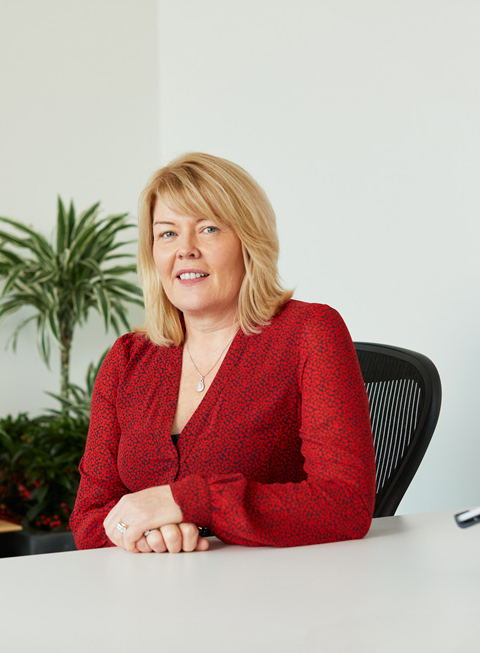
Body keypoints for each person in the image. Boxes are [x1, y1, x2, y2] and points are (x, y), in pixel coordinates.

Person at [70, 152, 375, 553]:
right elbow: (89, 518)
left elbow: (344, 504)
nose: (186, 250)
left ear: (249, 241)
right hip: (152, 595)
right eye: (167, 234)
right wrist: (147, 532)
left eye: (209, 229)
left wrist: (185, 502)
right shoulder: (128, 359)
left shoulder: (309, 333)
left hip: (280, 595)